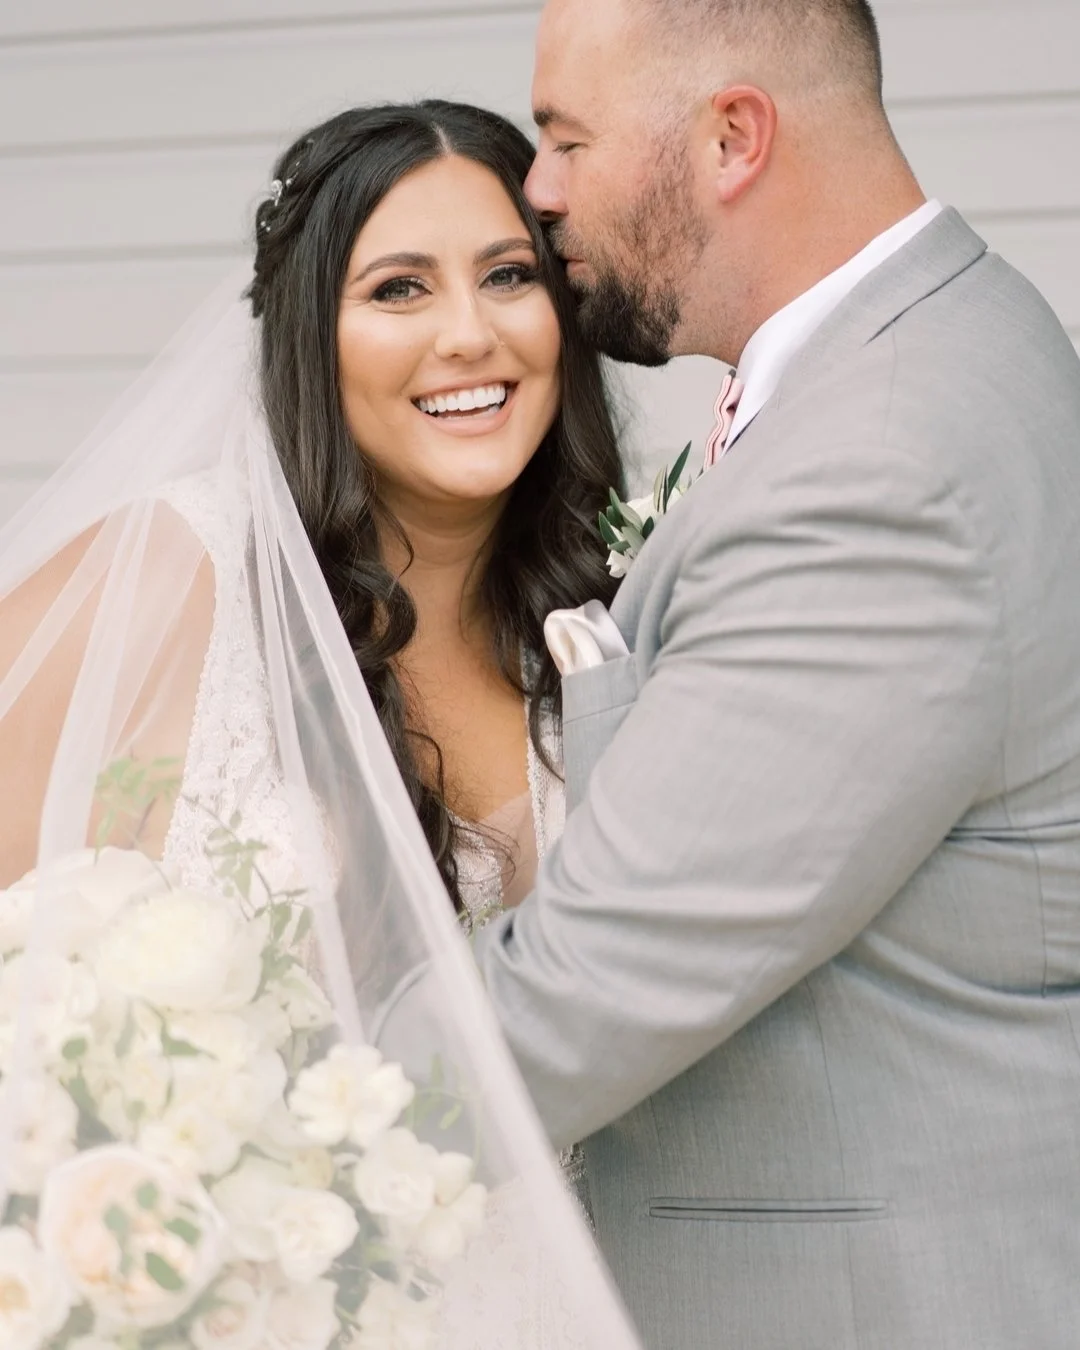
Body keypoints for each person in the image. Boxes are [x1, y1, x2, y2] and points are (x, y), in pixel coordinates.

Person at [471, 2, 1080, 1347]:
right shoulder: (933, 347)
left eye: (568, 138)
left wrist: (213, 1114)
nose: (540, 189)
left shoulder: (886, 460)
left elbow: (586, 990)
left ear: (734, 137)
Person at [0, 102, 639, 1350]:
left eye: (510, 275)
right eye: (398, 289)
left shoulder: (624, 625)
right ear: (311, 337)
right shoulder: (168, 583)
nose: (470, 333)